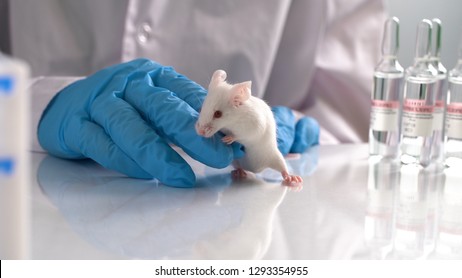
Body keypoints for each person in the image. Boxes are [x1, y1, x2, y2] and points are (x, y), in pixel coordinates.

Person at [6, 0, 387, 187]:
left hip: (239, 218)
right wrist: (35, 103)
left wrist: (298, 139)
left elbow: (353, 117)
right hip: (30, 189)